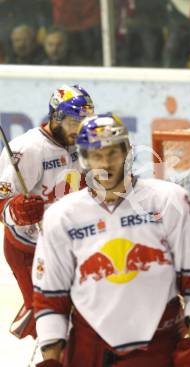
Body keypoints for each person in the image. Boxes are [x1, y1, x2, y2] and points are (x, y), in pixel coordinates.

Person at [32, 114, 190, 367]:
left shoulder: (168, 200)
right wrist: (51, 359)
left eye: (112, 153)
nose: (105, 163)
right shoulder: (61, 216)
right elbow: (51, 295)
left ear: (127, 152)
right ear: (84, 159)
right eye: (97, 155)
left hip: (160, 343)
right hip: (90, 348)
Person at [0, 84, 94, 339]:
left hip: (67, 245)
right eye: (75, 121)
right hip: (27, 248)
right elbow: (1, 202)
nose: (81, 127)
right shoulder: (27, 150)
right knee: (49, 323)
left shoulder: (84, 142)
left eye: (85, 120)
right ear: (56, 117)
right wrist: (16, 210)